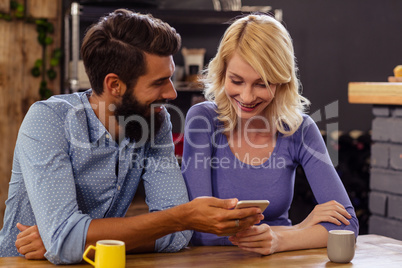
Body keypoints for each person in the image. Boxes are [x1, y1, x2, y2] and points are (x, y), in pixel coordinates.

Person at [0, 9, 263, 264]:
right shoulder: (49, 120)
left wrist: (75, 241)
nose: (171, 93)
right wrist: (179, 218)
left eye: (170, 78)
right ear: (114, 85)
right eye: (159, 82)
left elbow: (178, 237)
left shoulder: (156, 122)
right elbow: (176, 224)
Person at [181, 13, 359, 255]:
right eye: (236, 81)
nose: (246, 97)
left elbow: (347, 226)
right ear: (222, 74)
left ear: (281, 82)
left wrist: (280, 241)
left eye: (261, 84)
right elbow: (203, 232)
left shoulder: (301, 129)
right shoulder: (203, 120)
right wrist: (299, 229)